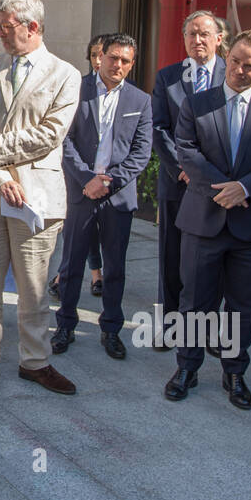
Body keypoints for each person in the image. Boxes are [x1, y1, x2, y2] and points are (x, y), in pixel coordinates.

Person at [0, 0, 80, 398]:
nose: (0, 34)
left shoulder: (65, 74)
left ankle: (35, 362)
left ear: (32, 27)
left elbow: (49, 135)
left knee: (33, 288)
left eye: (6, 28)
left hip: (37, 199)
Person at [165, 30, 251, 410]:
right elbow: (186, 150)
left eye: (249, 65)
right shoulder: (197, 104)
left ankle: (234, 370)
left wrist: (246, 188)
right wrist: (227, 189)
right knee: (195, 302)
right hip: (203, 219)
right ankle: (187, 367)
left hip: (250, 229)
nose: (238, 70)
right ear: (227, 55)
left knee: (242, 305)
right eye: (234, 60)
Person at [54, 33, 153, 359]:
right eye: (113, 58)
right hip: (81, 194)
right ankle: (65, 324)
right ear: (101, 57)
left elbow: (141, 153)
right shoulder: (76, 90)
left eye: (126, 61)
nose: (118, 65)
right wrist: (86, 179)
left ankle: (111, 328)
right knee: (70, 264)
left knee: (115, 268)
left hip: (117, 197)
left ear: (131, 63)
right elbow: (63, 141)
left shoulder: (141, 100)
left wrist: (108, 182)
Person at [151, 11, 226, 348]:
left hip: (218, 184)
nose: (198, 40)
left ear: (219, 39)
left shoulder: (232, 75)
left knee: (215, 255)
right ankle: (170, 322)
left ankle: (207, 325)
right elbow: (158, 127)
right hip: (177, 181)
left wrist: (208, 172)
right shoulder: (167, 77)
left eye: (205, 34)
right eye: (191, 34)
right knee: (172, 254)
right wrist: (183, 166)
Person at [50, 35, 109, 302]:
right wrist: (85, 176)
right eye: (94, 55)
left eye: (102, 55)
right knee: (76, 233)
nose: (98, 60)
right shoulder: (78, 87)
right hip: (77, 177)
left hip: (108, 180)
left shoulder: (128, 93)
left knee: (95, 231)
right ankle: (65, 276)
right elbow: (66, 135)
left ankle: (96, 275)